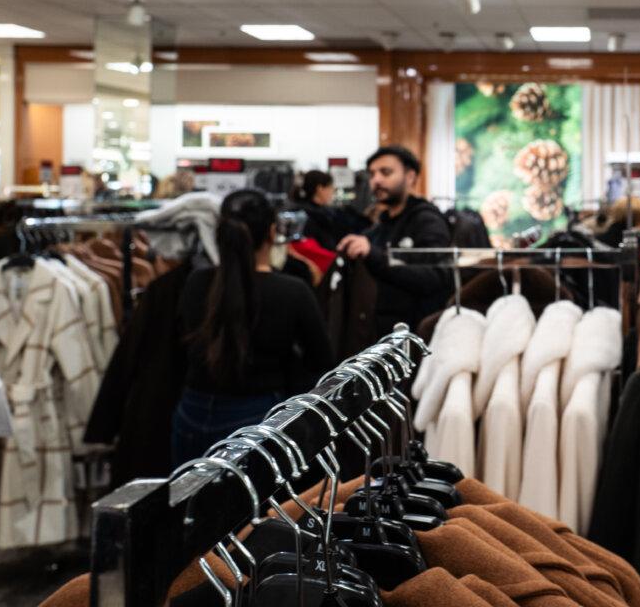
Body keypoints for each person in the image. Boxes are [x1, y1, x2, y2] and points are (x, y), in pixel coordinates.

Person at [172, 189, 333, 465]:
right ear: (273, 233)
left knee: (192, 505)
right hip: (258, 417)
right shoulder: (292, 291)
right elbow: (322, 362)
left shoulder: (197, 282)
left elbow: (181, 345)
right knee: (257, 508)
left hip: (193, 410)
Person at [337, 146, 451, 336]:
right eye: (372, 174)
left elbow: (435, 278)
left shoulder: (427, 221)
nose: (376, 180)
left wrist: (375, 256)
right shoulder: (378, 228)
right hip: (381, 339)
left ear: (410, 176)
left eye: (386, 172)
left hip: (416, 340)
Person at [291, 169, 345, 249]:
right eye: (330, 187)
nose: (332, 191)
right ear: (320, 188)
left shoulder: (298, 210)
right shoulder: (318, 217)